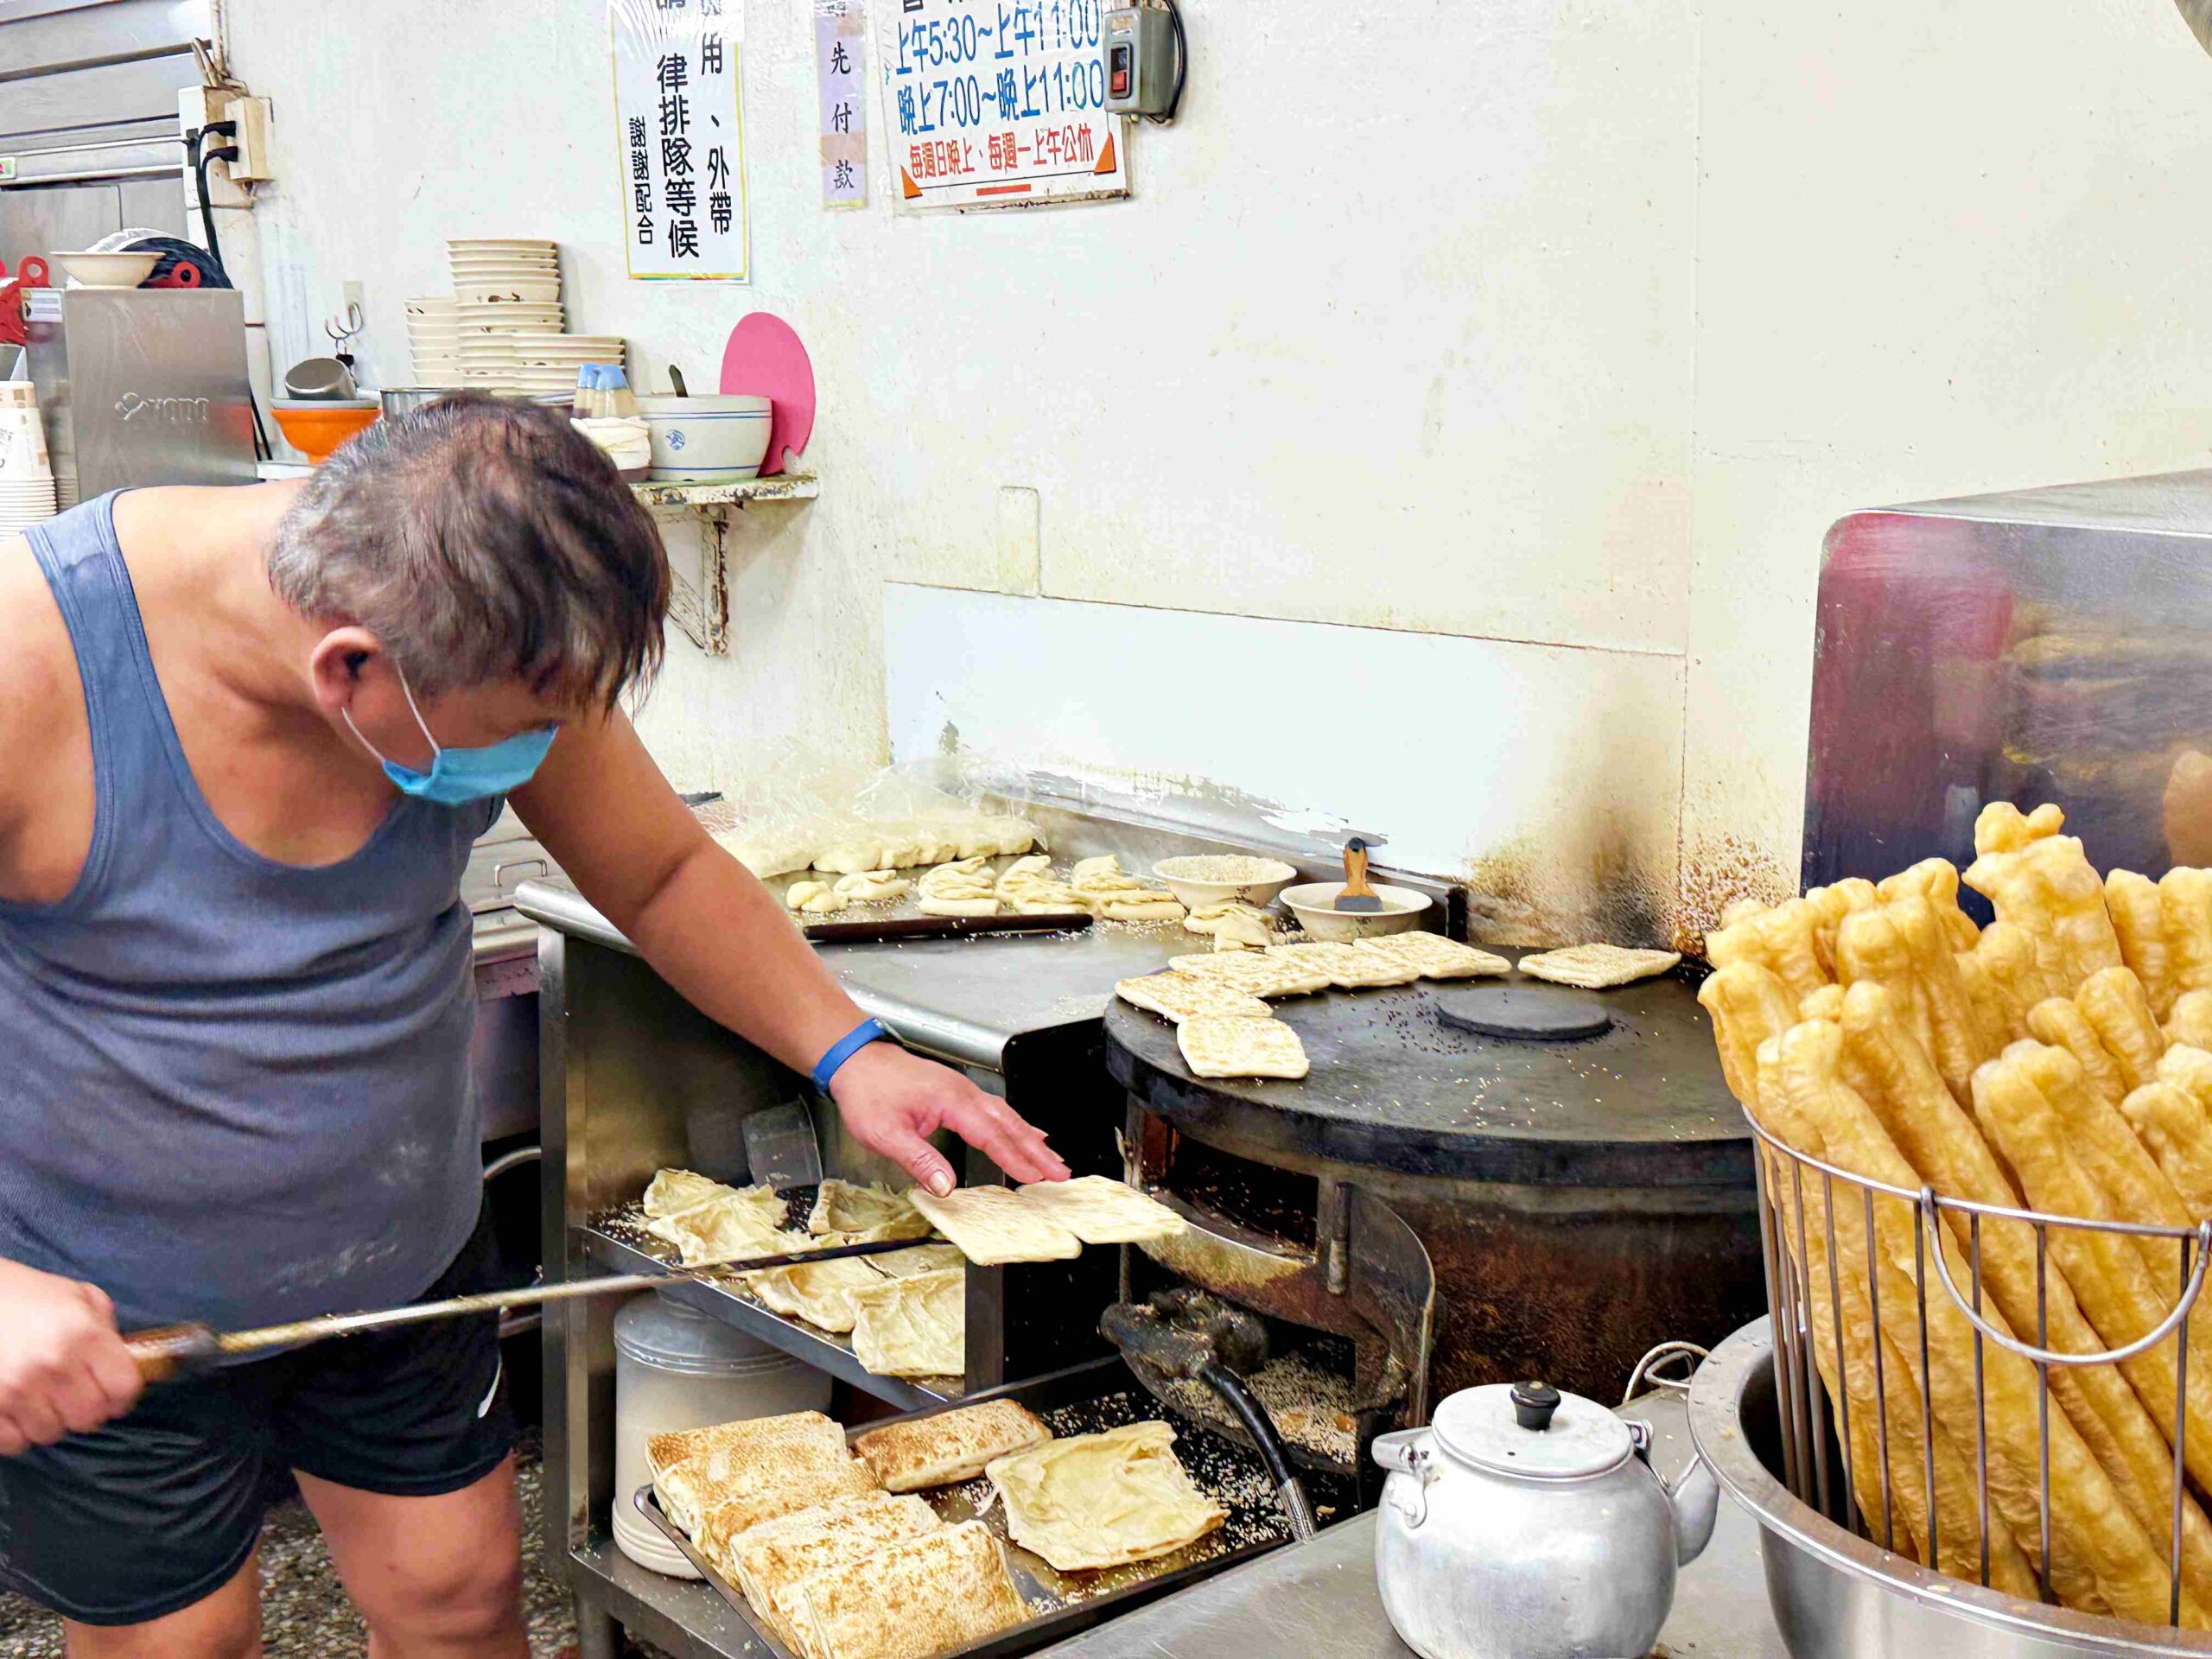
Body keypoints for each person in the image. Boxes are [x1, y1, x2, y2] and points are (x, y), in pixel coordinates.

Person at [0, 396, 1068, 1658]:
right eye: (517, 738)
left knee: (458, 1598)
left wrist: (852, 1053)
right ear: (346, 667)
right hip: (98, 1304)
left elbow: (662, 872)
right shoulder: (37, 664)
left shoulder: (484, 625)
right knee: (179, 1644)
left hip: (395, 1272)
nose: (541, 757)